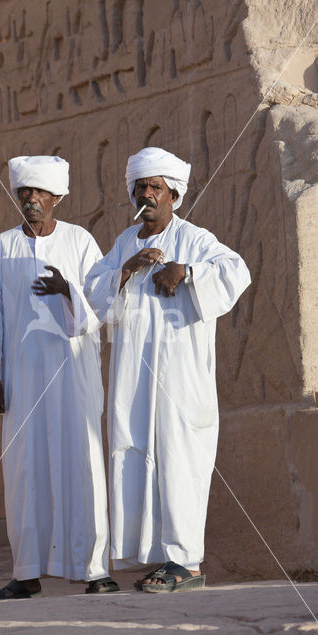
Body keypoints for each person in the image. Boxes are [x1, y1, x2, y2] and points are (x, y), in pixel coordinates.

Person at [85, 147, 251, 593]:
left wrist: (187, 271)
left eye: (156, 188)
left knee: (181, 458)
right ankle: (160, 557)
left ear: (173, 195)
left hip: (180, 376)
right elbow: (92, 290)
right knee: (135, 453)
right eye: (141, 187)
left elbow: (237, 270)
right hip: (134, 376)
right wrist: (127, 268)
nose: (147, 195)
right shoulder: (124, 241)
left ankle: (187, 562)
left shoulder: (195, 238)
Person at [0, 155, 119, 599]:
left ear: (58, 197)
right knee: (24, 468)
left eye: (39, 193)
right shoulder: (2, 248)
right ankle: (26, 571)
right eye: (24, 193)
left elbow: (100, 306)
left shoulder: (80, 241)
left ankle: (94, 569)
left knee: (83, 462)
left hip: (73, 373)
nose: (31, 200)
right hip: (23, 377)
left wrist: (65, 291)